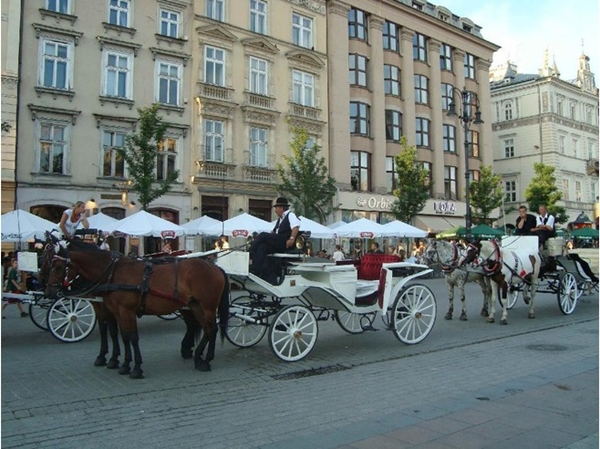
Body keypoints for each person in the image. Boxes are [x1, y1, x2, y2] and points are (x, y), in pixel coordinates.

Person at [249, 197, 300, 280]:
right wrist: (268, 238)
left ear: (281, 208)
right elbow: (273, 232)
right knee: (263, 247)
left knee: (262, 235)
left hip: (284, 240)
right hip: (278, 241)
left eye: (276, 208)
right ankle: (256, 269)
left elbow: (296, 227)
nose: (275, 210)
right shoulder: (280, 219)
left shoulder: (291, 215)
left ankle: (250, 253)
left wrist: (292, 238)